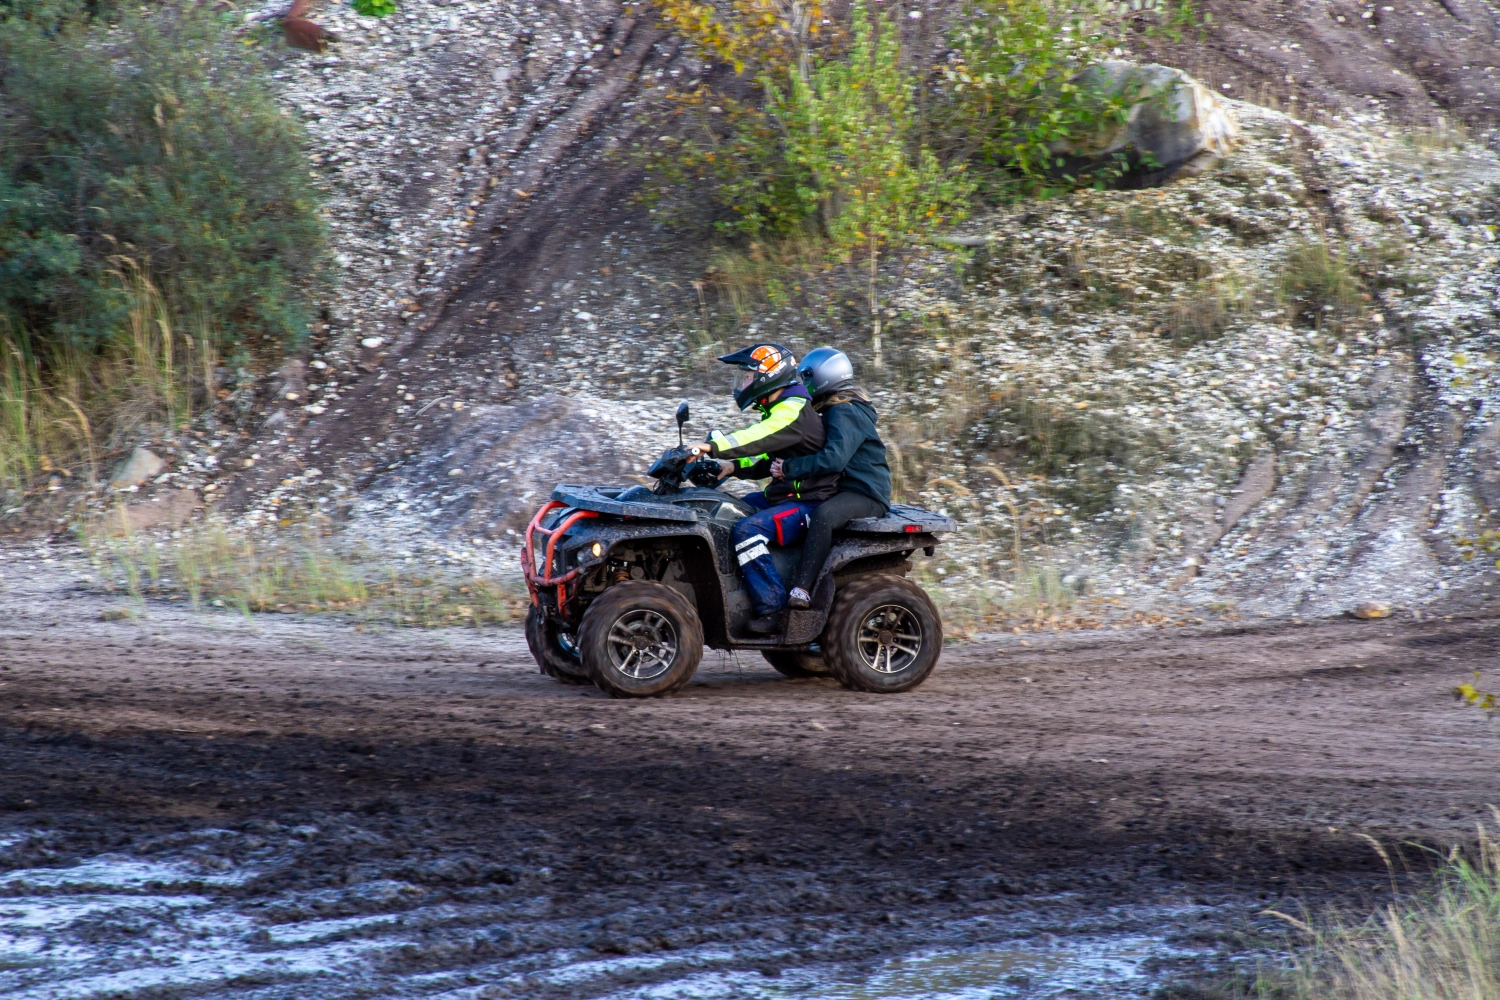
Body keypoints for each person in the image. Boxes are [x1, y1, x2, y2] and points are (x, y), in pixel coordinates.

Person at [687, 343, 840, 633]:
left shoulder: (792, 409)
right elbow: (766, 453)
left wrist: (710, 447)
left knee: (748, 530)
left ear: (770, 376)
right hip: (787, 496)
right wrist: (733, 467)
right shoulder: (780, 409)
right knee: (726, 511)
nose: (743, 383)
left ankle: (774, 610)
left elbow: (758, 436)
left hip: (810, 502)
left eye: (747, 377)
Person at [769, 346, 892, 609]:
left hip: (866, 493)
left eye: (807, 377)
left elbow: (834, 459)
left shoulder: (844, 410)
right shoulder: (834, 408)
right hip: (846, 488)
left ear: (823, 376)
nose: (804, 383)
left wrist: (788, 469)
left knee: (823, 515)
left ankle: (802, 589)